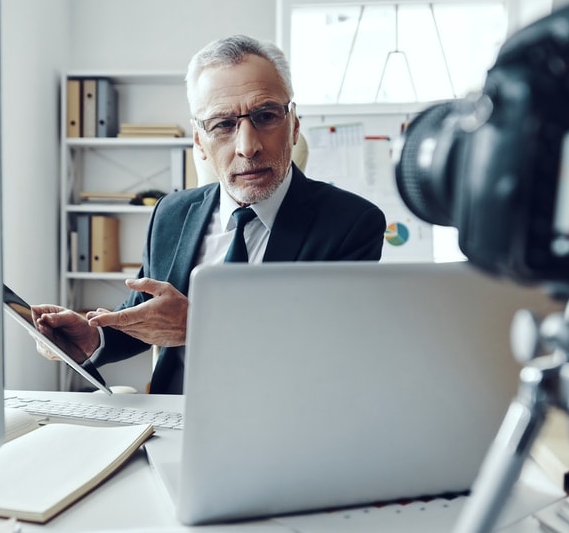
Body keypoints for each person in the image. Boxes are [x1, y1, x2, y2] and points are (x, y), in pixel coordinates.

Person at [31, 35, 386, 394]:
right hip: (174, 416)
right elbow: (149, 317)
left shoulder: (351, 223)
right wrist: (92, 339)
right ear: (199, 142)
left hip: (284, 418)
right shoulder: (171, 213)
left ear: (293, 124)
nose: (248, 147)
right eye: (223, 124)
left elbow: (329, 351)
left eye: (265, 116)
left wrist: (199, 323)